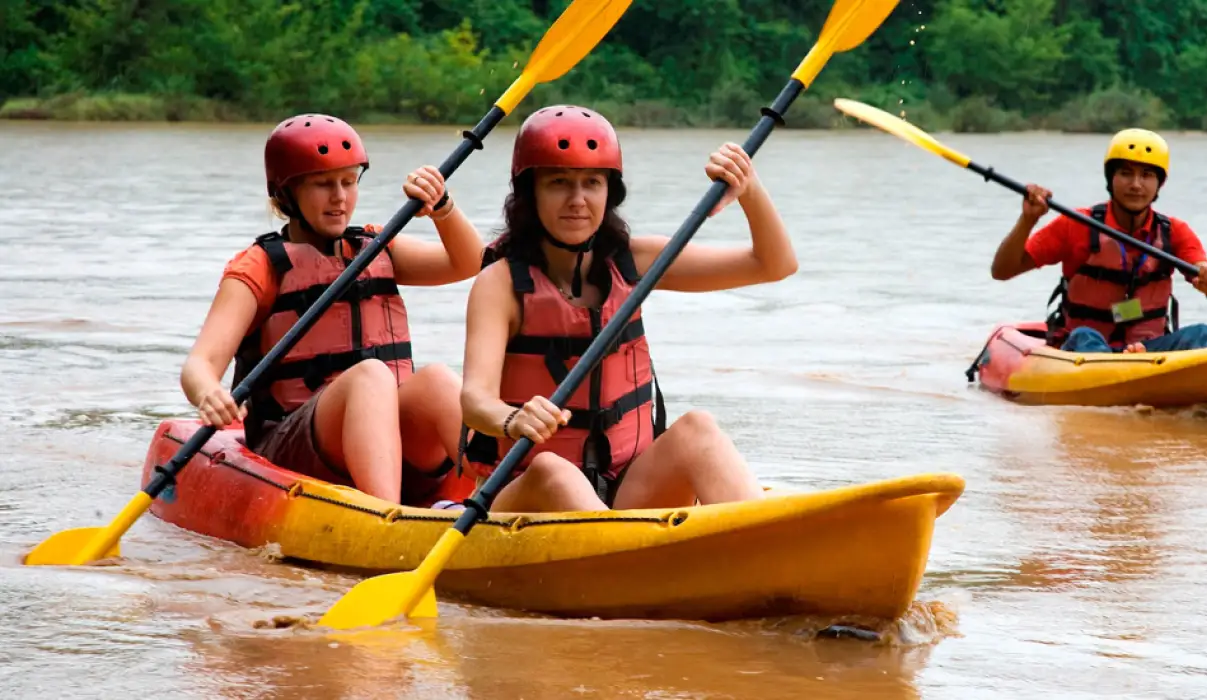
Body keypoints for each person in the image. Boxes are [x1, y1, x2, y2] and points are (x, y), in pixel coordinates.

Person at [454, 104, 797, 513]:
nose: (578, 200)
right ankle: (623, 564)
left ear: (609, 192)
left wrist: (750, 190)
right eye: (559, 182)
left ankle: (757, 540)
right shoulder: (501, 283)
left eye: (592, 183)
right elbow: (475, 400)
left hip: (625, 487)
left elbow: (774, 265)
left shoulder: (634, 261)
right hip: (524, 494)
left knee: (697, 429)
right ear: (530, 194)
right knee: (554, 468)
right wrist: (513, 420)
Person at [179, 114, 485, 506]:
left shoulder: (375, 246)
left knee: (438, 380)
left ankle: (500, 498)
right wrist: (209, 393)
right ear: (287, 193)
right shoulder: (259, 266)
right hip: (294, 445)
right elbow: (199, 365)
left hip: (391, 445)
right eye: (323, 184)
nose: (340, 197)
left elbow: (470, 262)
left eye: (348, 181)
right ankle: (385, 520)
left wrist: (442, 208)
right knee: (371, 376)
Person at [989, 128, 1207, 353]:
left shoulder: (1174, 232)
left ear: (1159, 184)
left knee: (1201, 333)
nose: (1136, 185)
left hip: (1149, 351)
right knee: (1084, 335)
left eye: (1146, 175)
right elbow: (1002, 270)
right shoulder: (1075, 224)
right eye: (1126, 173)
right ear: (1110, 178)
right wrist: (1027, 220)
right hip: (1083, 350)